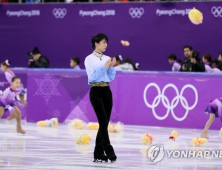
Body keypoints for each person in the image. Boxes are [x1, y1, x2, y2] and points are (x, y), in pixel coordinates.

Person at [84, 33, 117, 163]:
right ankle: (109, 150)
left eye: (106, 43)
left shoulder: (107, 58)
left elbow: (110, 77)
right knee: (103, 121)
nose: (106, 45)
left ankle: (98, 153)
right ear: (96, 43)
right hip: (96, 91)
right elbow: (91, 77)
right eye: (104, 42)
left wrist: (111, 67)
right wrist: (105, 67)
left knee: (104, 123)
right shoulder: (89, 59)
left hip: (106, 91)